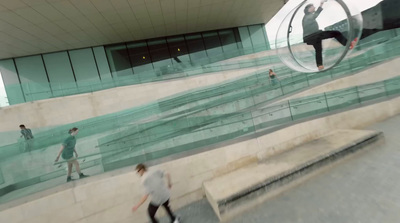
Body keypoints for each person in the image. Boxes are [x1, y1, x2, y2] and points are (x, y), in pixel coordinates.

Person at [302, 0, 357, 70]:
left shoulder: (306, 17)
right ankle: (348, 44)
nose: (314, 7)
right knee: (336, 33)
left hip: (312, 37)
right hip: (314, 35)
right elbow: (315, 16)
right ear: (309, 9)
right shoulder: (307, 16)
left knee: (318, 50)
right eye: (313, 7)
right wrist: (321, 5)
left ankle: (319, 65)